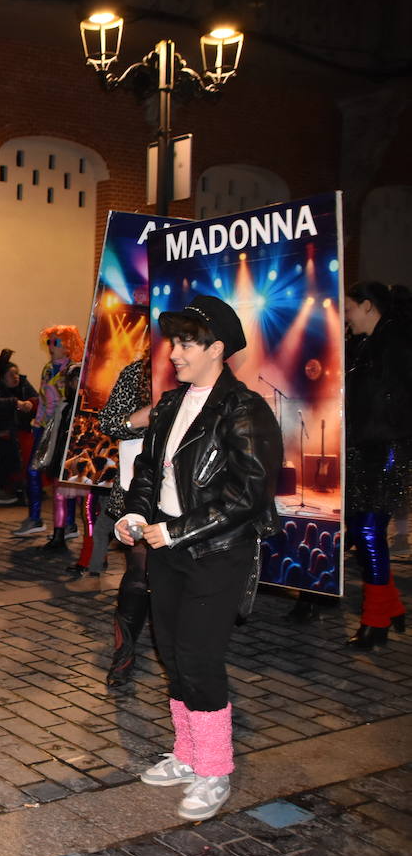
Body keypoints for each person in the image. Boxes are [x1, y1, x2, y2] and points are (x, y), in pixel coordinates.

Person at [115, 294, 281, 822]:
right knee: (172, 653)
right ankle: (188, 755)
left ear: (217, 349)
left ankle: (214, 770)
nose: (175, 353)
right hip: (167, 549)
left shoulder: (245, 408)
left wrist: (177, 530)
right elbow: (147, 473)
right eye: (174, 342)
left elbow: (249, 494)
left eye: (187, 343)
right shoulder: (169, 404)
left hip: (216, 552)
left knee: (200, 657)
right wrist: (135, 516)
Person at [343, 281, 411, 649]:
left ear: (368, 306)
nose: (346, 315)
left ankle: (376, 621)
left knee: (369, 531)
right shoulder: (359, 346)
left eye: (350, 307)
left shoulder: (397, 342)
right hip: (360, 450)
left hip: (386, 449)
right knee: (359, 528)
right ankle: (391, 606)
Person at [95, 354, 152, 686]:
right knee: (138, 571)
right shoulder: (135, 372)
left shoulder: (202, 371)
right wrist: (139, 419)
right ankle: (124, 654)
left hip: (186, 492)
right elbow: (108, 421)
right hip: (139, 488)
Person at [14, 326, 83, 547]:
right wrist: (37, 422)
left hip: (62, 430)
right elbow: (43, 400)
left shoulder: (73, 370)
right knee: (33, 470)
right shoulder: (47, 369)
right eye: (49, 342)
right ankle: (35, 518)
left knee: (63, 477)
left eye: (56, 343)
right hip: (45, 428)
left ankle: (69, 524)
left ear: (68, 346)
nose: (51, 347)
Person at [0, 353, 37, 503]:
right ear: (3, 378)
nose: (15, 377)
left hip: (22, 429)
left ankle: (24, 490)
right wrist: (17, 403)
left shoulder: (23, 384)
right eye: (11, 375)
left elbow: (36, 399)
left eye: (16, 373)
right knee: (9, 459)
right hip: (4, 430)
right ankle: (5, 490)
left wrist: (30, 403)